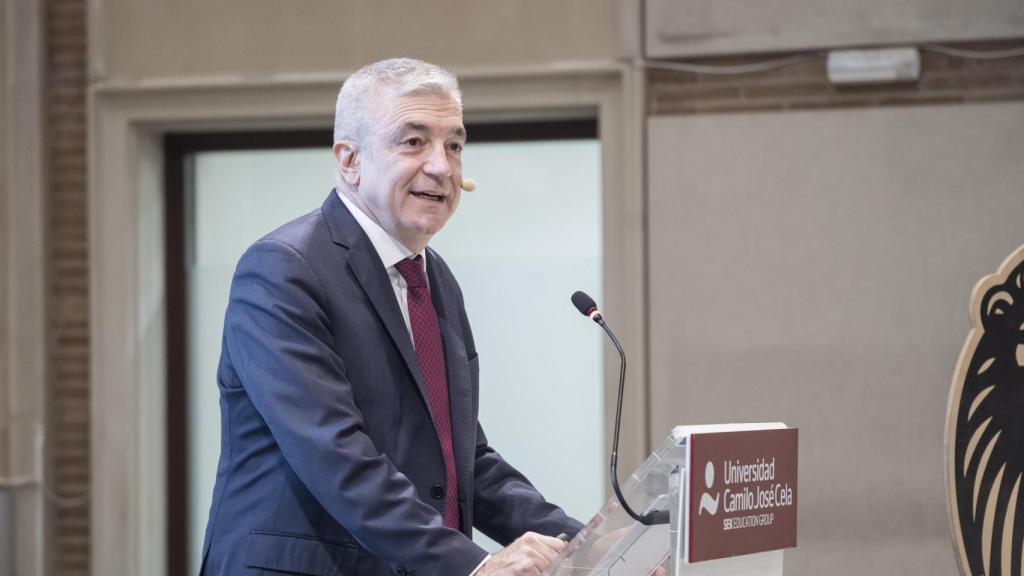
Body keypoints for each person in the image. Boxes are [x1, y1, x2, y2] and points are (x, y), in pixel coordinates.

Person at [199, 58, 582, 576]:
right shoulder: (284, 270)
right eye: (413, 142)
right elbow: (337, 457)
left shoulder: (434, 277)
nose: (442, 167)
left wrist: (592, 548)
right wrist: (476, 566)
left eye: (454, 145)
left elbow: (465, 460)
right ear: (349, 160)